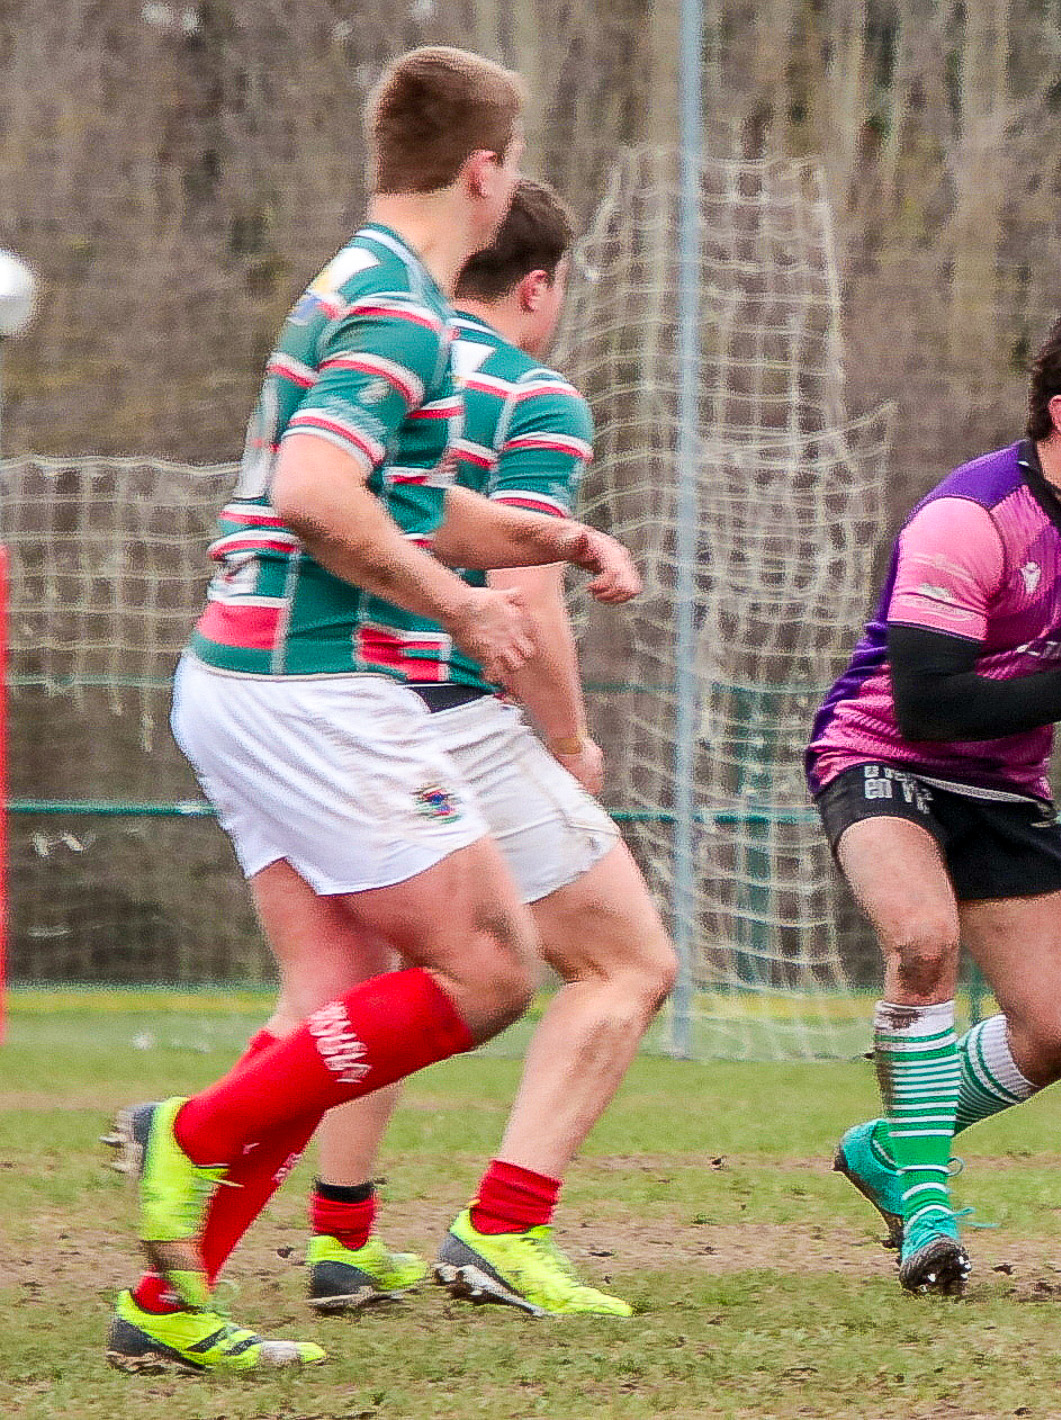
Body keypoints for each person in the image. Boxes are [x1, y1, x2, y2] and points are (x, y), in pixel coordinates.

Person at [106, 47, 640, 1374]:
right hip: (313, 689)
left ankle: (166, 1312)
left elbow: (396, 498)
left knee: (336, 998)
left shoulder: (359, 279)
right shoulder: (402, 313)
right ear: (482, 170)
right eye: (507, 162)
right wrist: (458, 607)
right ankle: (190, 1133)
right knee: (491, 970)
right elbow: (315, 490)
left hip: (235, 677)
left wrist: (548, 541)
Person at [294, 176, 678, 1319]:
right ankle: (504, 1228)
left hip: (332, 704)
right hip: (453, 709)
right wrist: (568, 739)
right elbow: (525, 592)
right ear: (540, 284)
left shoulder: (391, 352)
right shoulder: (532, 392)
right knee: (626, 963)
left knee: (391, 978)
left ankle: (341, 1236)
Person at [805, 302, 1061, 1294]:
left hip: (1000, 783)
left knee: (1058, 1029)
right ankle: (928, 1210)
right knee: (921, 941)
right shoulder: (969, 516)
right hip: (884, 754)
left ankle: (887, 1147)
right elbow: (928, 698)